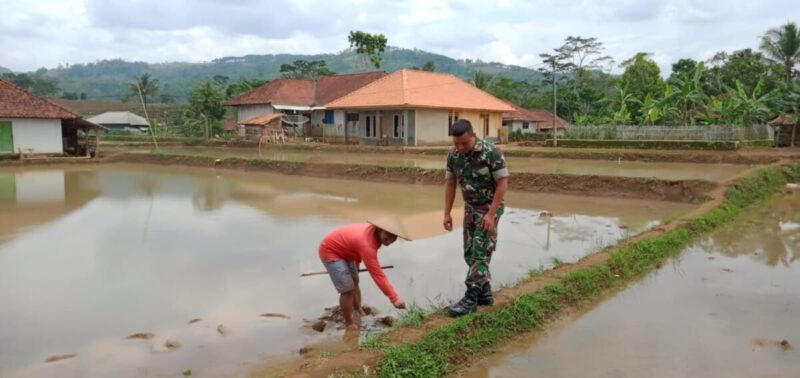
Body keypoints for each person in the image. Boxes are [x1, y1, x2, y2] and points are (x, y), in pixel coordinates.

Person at [443, 119, 509, 317]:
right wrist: (446, 213)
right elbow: (450, 184)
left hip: (489, 208)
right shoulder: (453, 155)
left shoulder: (491, 153)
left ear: (473, 135)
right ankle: (485, 292)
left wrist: (490, 215)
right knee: (469, 253)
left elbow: (502, 184)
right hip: (470, 208)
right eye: (457, 143)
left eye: (464, 143)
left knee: (480, 252)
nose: (461, 147)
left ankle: (470, 298)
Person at [318, 219, 409, 327]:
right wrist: (394, 298)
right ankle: (349, 323)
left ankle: (357, 308)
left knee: (355, 281)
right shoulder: (367, 244)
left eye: (394, 237)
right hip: (330, 250)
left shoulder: (374, 234)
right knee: (347, 289)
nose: (390, 240)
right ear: (380, 229)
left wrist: (355, 266)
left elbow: (355, 248)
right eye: (388, 235)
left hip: (347, 250)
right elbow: (377, 275)